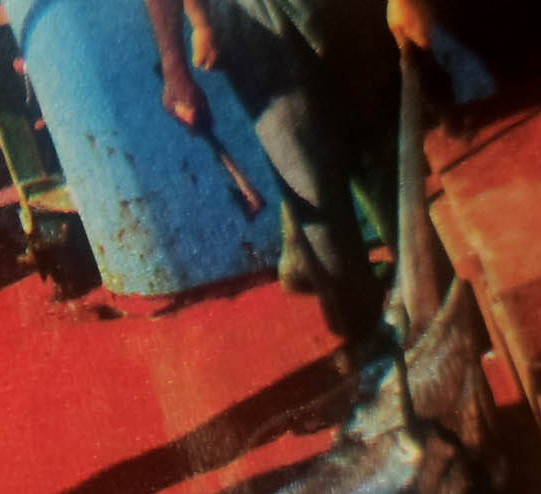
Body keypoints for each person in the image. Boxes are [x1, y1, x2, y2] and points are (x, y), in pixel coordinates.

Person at [143, 0, 435, 342]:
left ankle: (436, 313)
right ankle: (367, 340)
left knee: (388, 161)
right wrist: (176, 63)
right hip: (251, 25)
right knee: (311, 188)